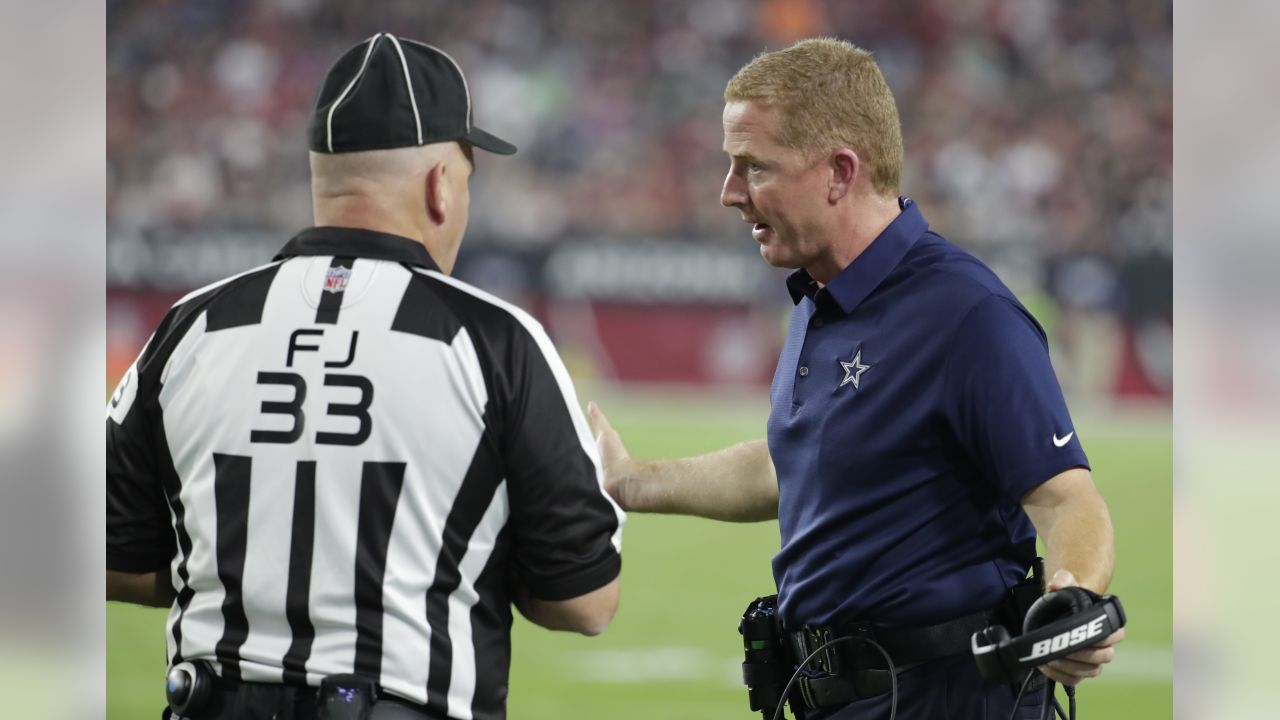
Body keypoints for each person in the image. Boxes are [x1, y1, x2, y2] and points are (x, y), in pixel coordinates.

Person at [587, 37, 1121, 719]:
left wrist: (1071, 596)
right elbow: (804, 464)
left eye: (753, 167)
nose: (728, 194)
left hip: (944, 702)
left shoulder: (967, 314)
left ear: (840, 172)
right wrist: (631, 482)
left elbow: (1067, 498)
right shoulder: (823, 296)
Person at [106, 33, 625, 720]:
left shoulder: (191, 325)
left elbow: (107, 551)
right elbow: (583, 602)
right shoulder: (496, 339)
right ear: (442, 185)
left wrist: (241, 565)